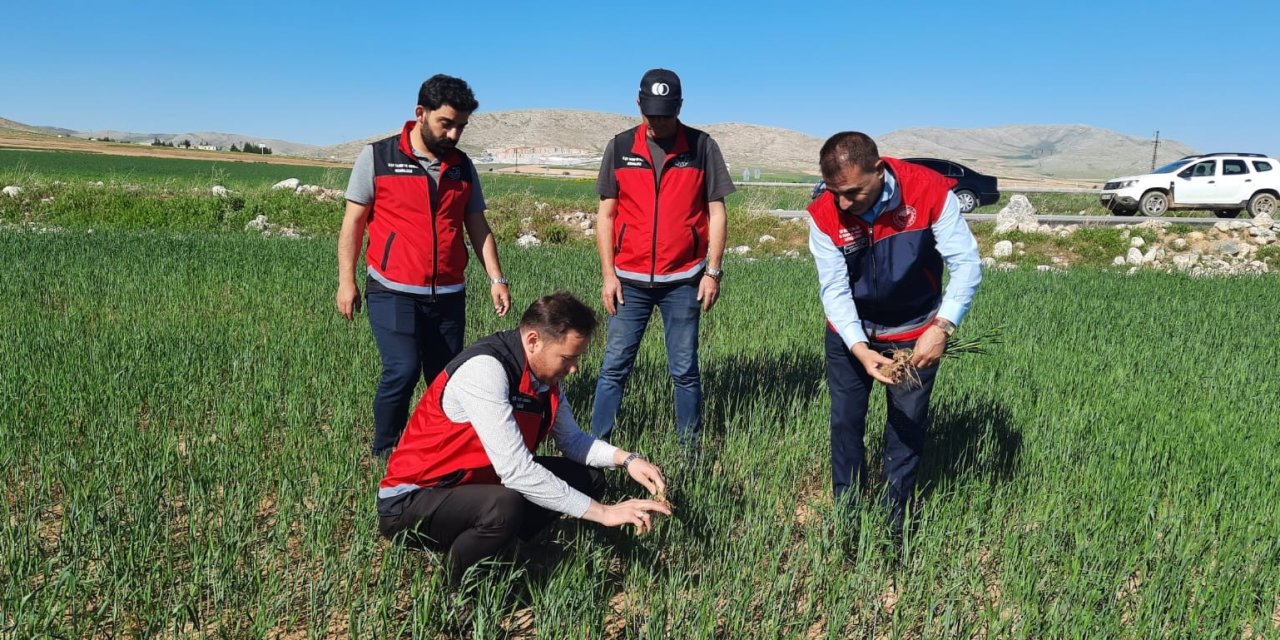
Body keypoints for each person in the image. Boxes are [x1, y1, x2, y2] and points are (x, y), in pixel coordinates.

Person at [377, 292, 671, 581]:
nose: (574, 369)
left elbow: (571, 441)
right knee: (503, 506)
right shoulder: (485, 370)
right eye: (568, 358)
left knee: (589, 479)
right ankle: (455, 587)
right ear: (533, 341)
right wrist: (604, 514)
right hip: (413, 499)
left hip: (478, 485)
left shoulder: (544, 377)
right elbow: (517, 472)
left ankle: (505, 548)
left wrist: (628, 460)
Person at [805, 132, 982, 531]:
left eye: (853, 192)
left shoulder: (930, 191)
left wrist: (942, 327)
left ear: (879, 170)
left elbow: (967, 265)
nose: (844, 203)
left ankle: (894, 522)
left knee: (906, 425)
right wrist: (860, 348)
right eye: (837, 193)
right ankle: (848, 519)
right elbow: (833, 289)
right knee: (846, 422)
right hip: (852, 334)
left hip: (915, 330)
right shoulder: (824, 213)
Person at [336, 74, 512, 459]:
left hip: (448, 293)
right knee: (402, 369)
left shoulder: (462, 167)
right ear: (421, 113)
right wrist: (345, 282)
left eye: (460, 127)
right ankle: (385, 452)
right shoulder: (379, 157)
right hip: (392, 289)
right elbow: (353, 222)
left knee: (446, 380)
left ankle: (438, 450)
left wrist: (496, 278)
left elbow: (477, 224)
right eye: (445, 123)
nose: (453, 134)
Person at [591, 68, 735, 448]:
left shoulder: (702, 147)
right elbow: (605, 216)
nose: (657, 123)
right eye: (651, 114)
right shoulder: (620, 147)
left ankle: (690, 452)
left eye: (665, 115)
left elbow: (716, 212)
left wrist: (713, 272)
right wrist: (609, 275)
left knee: (685, 370)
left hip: (684, 281)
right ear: (638, 104)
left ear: (680, 107)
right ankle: (595, 450)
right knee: (614, 368)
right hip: (629, 281)